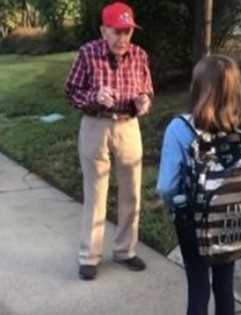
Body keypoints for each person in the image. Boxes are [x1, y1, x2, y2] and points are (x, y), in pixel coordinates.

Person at [156, 54, 241, 315]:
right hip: (233, 215)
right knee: (225, 284)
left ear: (199, 87)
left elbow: (168, 186)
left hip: (194, 219)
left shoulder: (179, 128)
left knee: (198, 287)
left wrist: (173, 208)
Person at [65, 1, 154, 281]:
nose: (123, 38)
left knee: (132, 192)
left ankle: (125, 251)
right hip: (96, 125)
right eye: (117, 31)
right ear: (104, 31)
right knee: (95, 193)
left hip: (128, 126)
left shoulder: (140, 55)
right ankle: (89, 256)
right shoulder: (88, 53)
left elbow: (147, 90)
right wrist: (94, 97)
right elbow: (71, 91)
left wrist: (144, 101)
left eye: (127, 32)